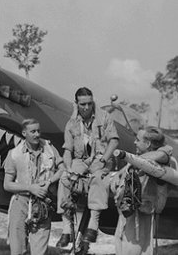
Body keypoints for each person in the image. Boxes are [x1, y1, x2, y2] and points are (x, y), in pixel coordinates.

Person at [56, 87, 119, 249]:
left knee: (98, 178)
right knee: (64, 178)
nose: (86, 107)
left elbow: (114, 141)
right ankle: (66, 229)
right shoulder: (72, 123)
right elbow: (68, 150)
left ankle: (93, 224)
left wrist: (105, 159)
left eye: (89, 103)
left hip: (100, 159)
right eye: (82, 104)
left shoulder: (104, 117)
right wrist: (69, 168)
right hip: (80, 160)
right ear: (76, 104)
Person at [3, 118, 64, 255]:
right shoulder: (14, 154)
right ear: (24, 133)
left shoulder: (49, 148)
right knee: (18, 250)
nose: (37, 134)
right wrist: (30, 188)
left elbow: (62, 169)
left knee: (39, 251)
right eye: (33, 131)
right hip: (20, 204)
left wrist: (49, 182)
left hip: (43, 205)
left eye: (38, 131)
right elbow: (7, 184)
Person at [112, 126, 173, 255]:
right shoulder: (138, 159)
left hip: (141, 215)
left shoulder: (162, 157)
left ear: (148, 143)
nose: (134, 142)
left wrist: (131, 161)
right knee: (121, 247)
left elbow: (160, 155)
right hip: (127, 214)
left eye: (138, 139)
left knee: (134, 249)